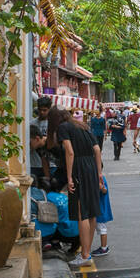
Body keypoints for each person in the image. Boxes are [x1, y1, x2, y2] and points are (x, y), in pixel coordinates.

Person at [47, 107, 105, 267]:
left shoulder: (63, 128)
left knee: (82, 213)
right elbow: (97, 149)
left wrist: (69, 176)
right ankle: (86, 252)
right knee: (92, 212)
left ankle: (85, 255)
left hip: (79, 168)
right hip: (92, 167)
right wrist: (99, 173)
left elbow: (70, 152)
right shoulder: (83, 126)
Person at [28, 96, 52, 186]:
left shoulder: (53, 123)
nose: (42, 112)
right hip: (34, 164)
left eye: (45, 110)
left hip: (51, 165)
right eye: (40, 110)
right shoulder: (31, 123)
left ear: (49, 109)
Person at [93, 173, 112, 256]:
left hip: (99, 209)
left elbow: (105, 190)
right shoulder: (98, 177)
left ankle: (104, 248)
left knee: (101, 228)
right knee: (101, 227)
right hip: (98, 208)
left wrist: (101, 187)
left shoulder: (100, 178)